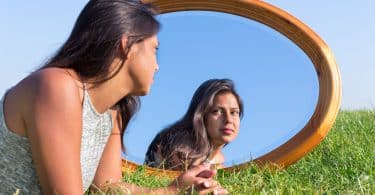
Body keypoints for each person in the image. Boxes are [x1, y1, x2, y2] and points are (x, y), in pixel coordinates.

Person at [0, 0, 228, 194]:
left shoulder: (111, 110)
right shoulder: (57, 87)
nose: (157, 66)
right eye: (154, 49)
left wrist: (174, 189)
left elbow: (109, 186)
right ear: (126, 44)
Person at [145, 78, 244, 171]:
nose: (228, 120)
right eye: (217, 111)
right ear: (201, 115)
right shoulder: (181, 149)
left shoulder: (220, 160)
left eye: (234, 112)